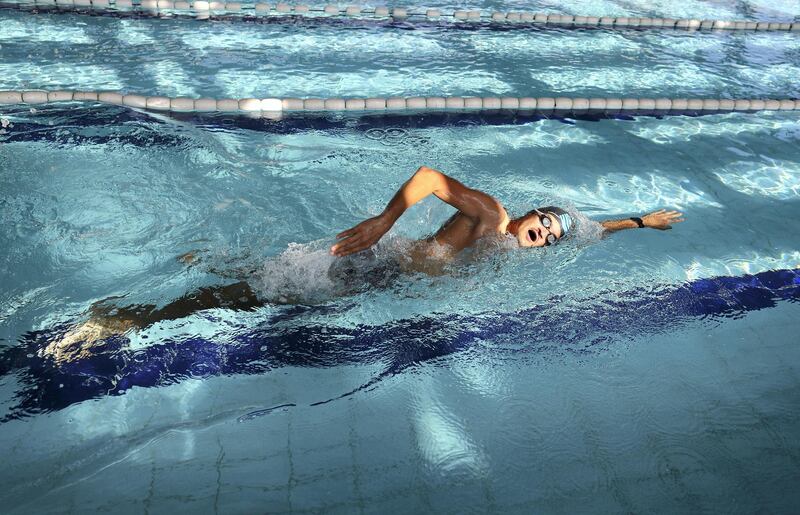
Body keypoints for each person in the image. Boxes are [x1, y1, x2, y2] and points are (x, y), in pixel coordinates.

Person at [44, 166, 684, 362]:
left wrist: (640, 222)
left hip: (380, 279)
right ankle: (123, 315)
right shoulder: (491, 215)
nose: (541, 235)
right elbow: (431, 178)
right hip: (369, 267)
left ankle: (208, 257)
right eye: (543, 223)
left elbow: (590, 232)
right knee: (248, 299)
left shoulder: (511, 244)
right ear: (531, 211)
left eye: (547, 238)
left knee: (258, 279)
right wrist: (384, 220)